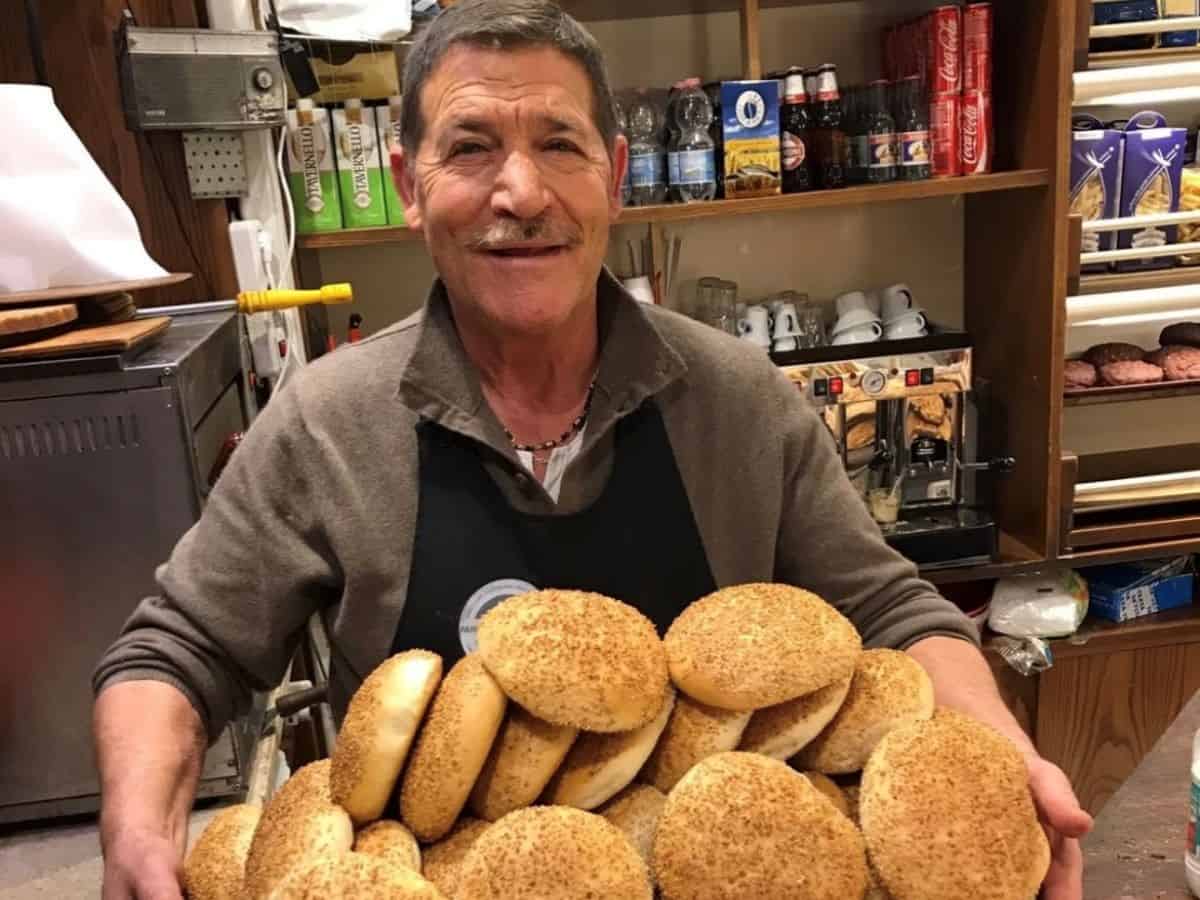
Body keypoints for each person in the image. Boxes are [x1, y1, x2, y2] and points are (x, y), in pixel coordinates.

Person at [92, 1, 1090, 897]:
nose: (519, 192)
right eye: (472, 147)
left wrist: (1003, 759)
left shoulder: (739, 400)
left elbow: (890, 607)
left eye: (559, 146)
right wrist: (138, 826)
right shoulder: (326, 420)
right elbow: (177, 649)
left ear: (614, 176)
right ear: (409, 183)